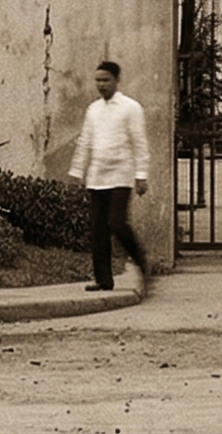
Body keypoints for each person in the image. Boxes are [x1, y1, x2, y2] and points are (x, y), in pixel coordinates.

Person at [69, 59, 152, 291]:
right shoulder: (93, 109)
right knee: (98, 230)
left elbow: (140, 143)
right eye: (98, 80)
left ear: (116, 80)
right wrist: (77, 170)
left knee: (116, 223)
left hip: (121, 176)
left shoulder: (131, 108)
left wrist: (141, 175)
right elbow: (85, 142)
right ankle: (103, 279)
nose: (101, 85)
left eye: (106, 80)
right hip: (97, 177)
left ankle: (141, 260)